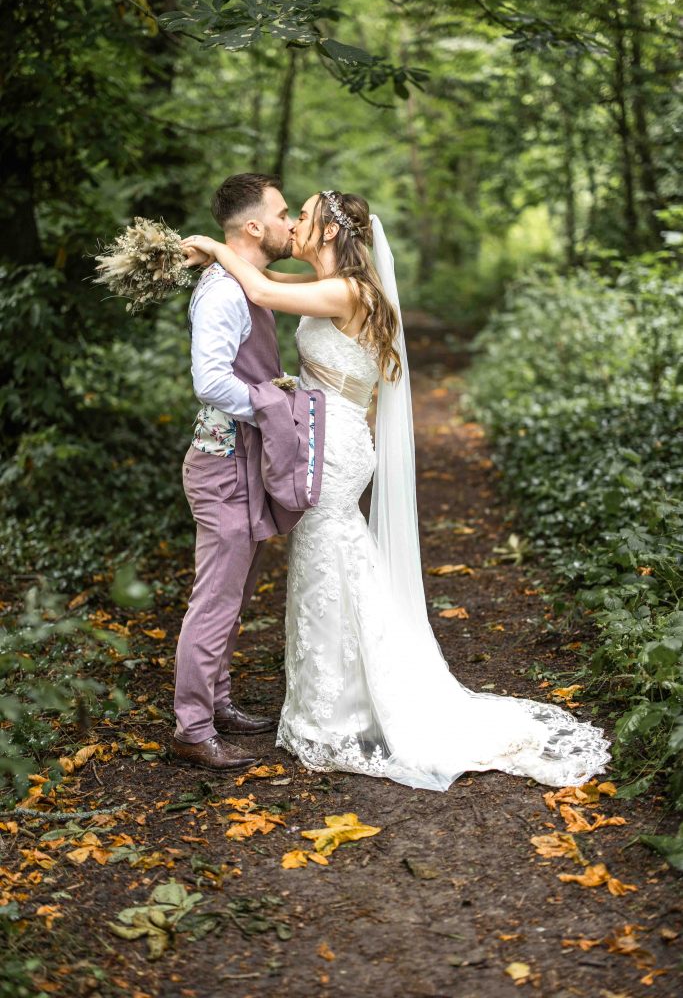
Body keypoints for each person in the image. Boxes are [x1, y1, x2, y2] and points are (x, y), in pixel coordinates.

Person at [181, 190, 611, 791]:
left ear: (329, 232)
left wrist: (208, 247)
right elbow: (257, 272)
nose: (295, 225)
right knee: (328, 560)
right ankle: (332, 698)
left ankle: (342, 709)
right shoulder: (326, 283)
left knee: (330, 559)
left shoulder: (347, 292)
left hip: (332, 446)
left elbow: (259, 289)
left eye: (302, 216)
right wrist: (226, 257)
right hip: (329, 438)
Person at [172, 172, 316, 773]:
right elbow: (209, 383)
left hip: (245, 460)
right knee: (215, 599)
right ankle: (192, 727)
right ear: (254, 225)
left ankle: (219, 701)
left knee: (232, 598)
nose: (289, 223)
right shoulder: (224, 293)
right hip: (223, 464)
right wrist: (275, 401)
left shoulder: (243, 282)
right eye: (283, 213)